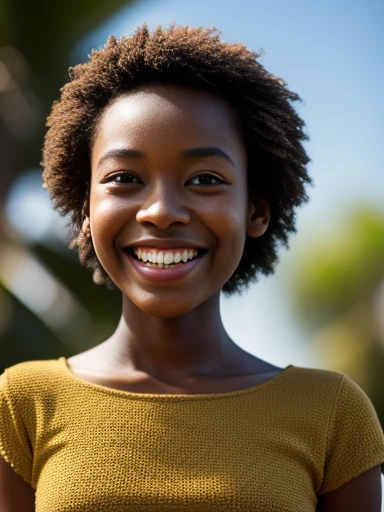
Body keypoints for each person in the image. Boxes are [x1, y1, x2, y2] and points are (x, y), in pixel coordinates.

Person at [0, 24, 383, 512]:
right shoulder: (23, 403)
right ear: (85, 210)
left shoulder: (332, 413)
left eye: (205, 179)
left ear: (256, 211)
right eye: (124, 178)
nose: (161, 210)